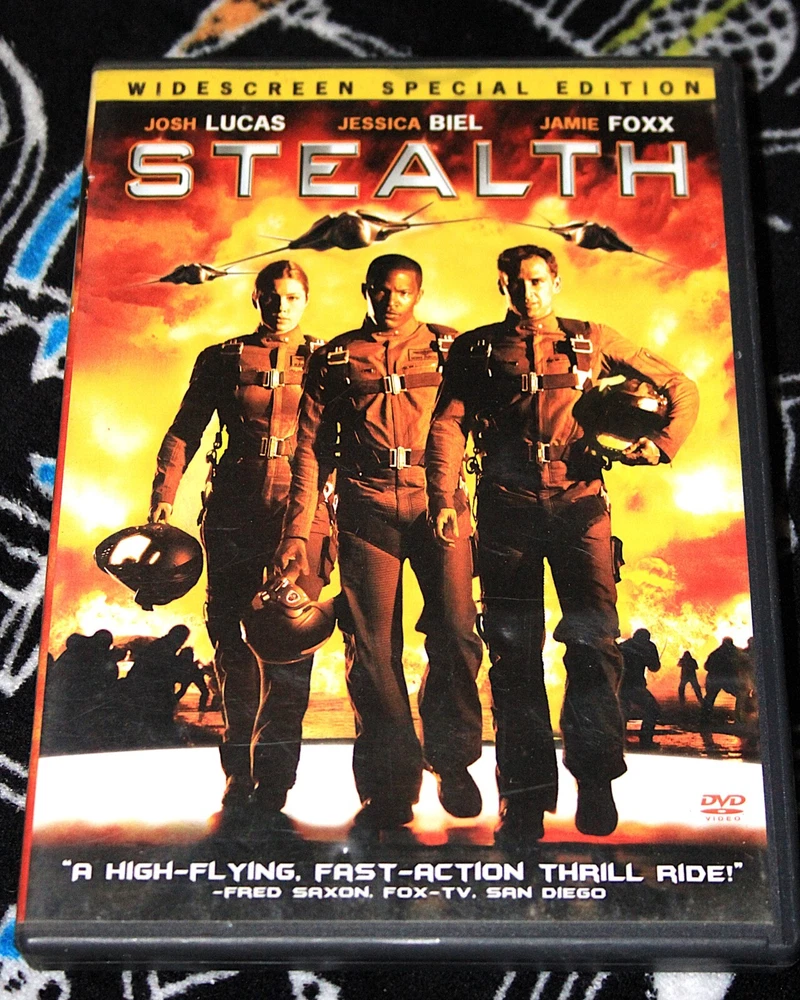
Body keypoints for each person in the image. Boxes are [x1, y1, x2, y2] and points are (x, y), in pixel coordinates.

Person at [426, 244, 699, 844]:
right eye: (517, 283)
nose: (528, 293)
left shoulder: (592, 338)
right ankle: (522, 801)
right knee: (513, 655)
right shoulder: (475, 348)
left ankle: (595, 780)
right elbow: (447, 423)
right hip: (506, 509)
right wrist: (443, 495)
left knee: (594, 644)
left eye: (538, 281)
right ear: (502, 286)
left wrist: (661, 445)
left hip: (581, 506)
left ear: (555, 282)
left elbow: (681, 385)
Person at [275, 253, 483, 834]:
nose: (392, 302)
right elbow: (309, 451)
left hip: (439, 506)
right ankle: (390, 784)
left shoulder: (451, 348)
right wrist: (297, 531)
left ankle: (452, 760)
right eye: (382, 291)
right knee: (370, 651)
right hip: (366, 510)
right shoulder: (334, 358)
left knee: (458, 633)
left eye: (403, 292)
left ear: (419, 294)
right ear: (366, 291)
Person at [149, 260, 334, 830]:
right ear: (256, 299)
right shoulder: (222, 359)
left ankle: (275, 777)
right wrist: (163, 496)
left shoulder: (329, 359)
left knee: (291, 644)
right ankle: (238, 770)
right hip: (233, 513)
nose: (282, 306)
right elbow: (185, 430)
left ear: (306, 300)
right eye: (272, 296)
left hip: (303, 516)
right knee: (231, 645)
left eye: (293, 296)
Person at [619, 628, 662, 747]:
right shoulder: (648, 647)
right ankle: (646, 739)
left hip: (620, 684)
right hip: (635, 685)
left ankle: (620, 740)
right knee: (653, 708)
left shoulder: (623, 645)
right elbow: (654, 667)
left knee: (623, 711)